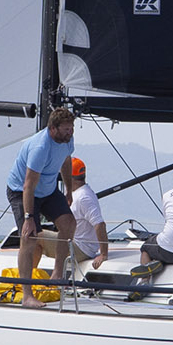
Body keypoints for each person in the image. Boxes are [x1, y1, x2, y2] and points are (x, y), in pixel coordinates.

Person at [6, 106, 78, 308]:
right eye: (66, 129)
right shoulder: (40, 147)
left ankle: (57, 275)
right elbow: (28, 184)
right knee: (30, 238)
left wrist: (69, 191)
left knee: (69, 224)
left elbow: (65, 161)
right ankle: (26, 295)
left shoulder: (66, 141)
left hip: (47, 190)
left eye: (71, 128)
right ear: (53, 129)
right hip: (23, 192)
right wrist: (29, 218)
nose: (70, 132)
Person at [64, 157, 109, 269]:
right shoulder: (77, 193)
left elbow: (100, 224)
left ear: (70, 178)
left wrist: (103, 254)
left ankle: (27, 282)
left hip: (80, 249)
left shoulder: (84, 197)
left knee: (37, 237)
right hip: (73, 243)